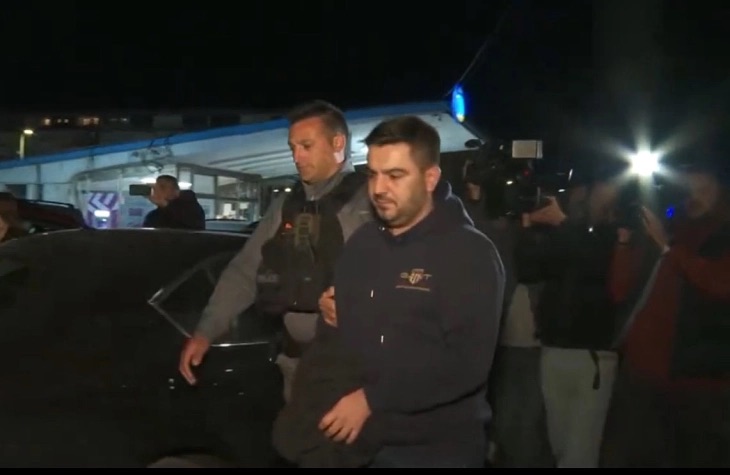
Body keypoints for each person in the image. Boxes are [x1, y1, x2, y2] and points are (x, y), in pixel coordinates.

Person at [319, 116, 505, 468]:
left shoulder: (470, 253)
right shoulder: (362, 243)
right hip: (361, 446)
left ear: (430, 178)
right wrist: (331, 311)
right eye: (373, 174)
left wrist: (373, 399)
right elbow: (344, 332)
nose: (378, 188)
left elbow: (466, 364)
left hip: (437, 450)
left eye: (395, 175)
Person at [178, 100, 372, 402]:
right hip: (295, 368)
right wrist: (206, 332)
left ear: (338, 143)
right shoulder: (286, 206)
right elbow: (244, 271)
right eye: (292, 147)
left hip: (352, 374)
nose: (296, 156)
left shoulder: (370, 201)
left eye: (306, 146)